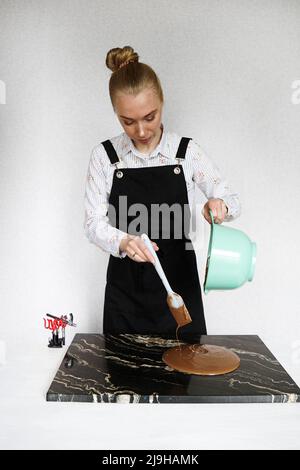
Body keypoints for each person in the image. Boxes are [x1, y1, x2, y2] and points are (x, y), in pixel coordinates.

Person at [84, 45, 241, 338]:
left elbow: (231, 200)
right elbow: (93, 224)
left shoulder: (185, 153)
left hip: (180, 284)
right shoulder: (105, 157)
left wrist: (219, 206)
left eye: (149, 117)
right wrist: (123, 241)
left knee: (185, 378)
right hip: (125, 292)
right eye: (128, 122)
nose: (141, 131)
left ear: (162, 103)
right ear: (116, 114)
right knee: (122, 378)